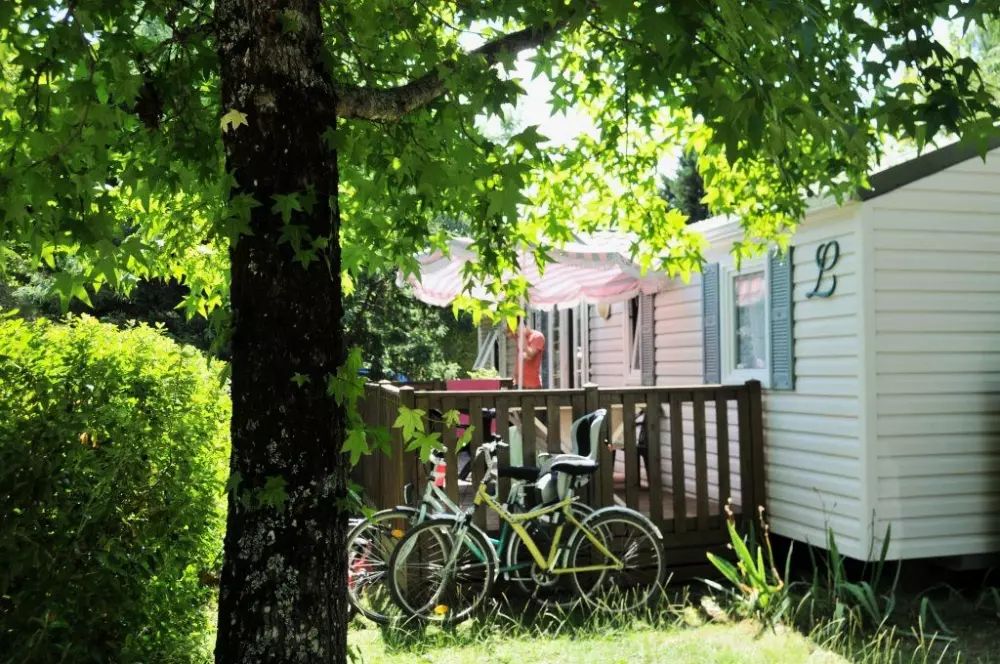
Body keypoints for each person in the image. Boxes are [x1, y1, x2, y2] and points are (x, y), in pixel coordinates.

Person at [506, 320, 545, 389]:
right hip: (518, 383)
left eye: (515, 331)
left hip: (531, 386)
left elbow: (530, 355)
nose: (514, 333)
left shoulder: (537, 336)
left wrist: (522, 337)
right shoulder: (517, 336)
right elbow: (506, 333)